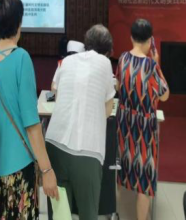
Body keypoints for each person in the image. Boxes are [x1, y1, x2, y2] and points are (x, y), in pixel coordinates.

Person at [0, 0, 59, 219]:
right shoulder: (22, 58)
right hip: (20, 165)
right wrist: (47, 169)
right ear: (19, 22)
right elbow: (31, 124)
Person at [45, 24, 115, 220]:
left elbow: (56, 92)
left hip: (55, 144)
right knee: (88, 213)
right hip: (87, 151)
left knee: (60, 214)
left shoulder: (67, 61)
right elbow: (107, 108)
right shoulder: (105, 64)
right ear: (108, 51)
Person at [116, 19, 170, 220]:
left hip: (125, 124)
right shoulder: (150, 65)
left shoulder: (122, 59)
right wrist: (157, 64)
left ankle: (119, 211)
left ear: (131, 37)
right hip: (144, 129)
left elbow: (118, 85)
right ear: (150, 40)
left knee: (124, 166)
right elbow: (164, 94)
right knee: (144, 180)